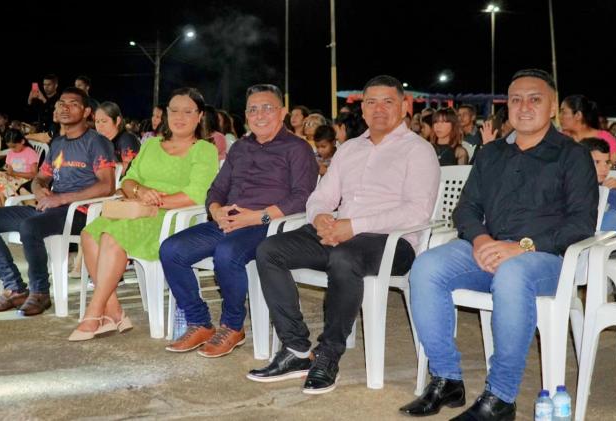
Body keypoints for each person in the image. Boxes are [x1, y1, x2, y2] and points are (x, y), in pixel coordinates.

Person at [399, 69, 597, 421]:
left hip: (547, 259)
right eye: (515, 99)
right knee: (426, 267)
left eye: (534, 99)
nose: (523, 107)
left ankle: (501, 397)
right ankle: (446, 379)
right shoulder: (491, 154)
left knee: (512, 274)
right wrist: (481, 239)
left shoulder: (572, 155)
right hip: (490, 248)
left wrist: (520, 247)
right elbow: (467, 208)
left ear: (552, 106)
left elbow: (580, 224)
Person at [247, 75, 439, 394]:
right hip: (339, 232)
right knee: (269, 250)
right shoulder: (349, 149)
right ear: (361, 109)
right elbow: (321, 196)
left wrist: (353, 226)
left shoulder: (418, 151)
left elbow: (416, 212)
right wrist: (321, 218)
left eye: (387, 101)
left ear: (405, 106)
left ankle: (328, 354)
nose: (378, 109)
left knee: (344, 256)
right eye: (371, 102)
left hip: (392, 241)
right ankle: (296, 349)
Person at [159, 84, 318, 358]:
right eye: (253, 109)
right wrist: (216, 209)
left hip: (268, 224)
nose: (259, 115)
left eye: (267, 108)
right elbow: (216, 189)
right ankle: (199, 322)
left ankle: (232, 326)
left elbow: (303, 197)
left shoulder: (297, 148)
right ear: (246, 115)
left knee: (227, 252)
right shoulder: (240, 148)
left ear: (282, 113)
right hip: (228, 221)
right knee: (171, 249)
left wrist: (256, 216)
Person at [68, 87, 220, 341]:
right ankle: (113, 310)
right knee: (89, 233)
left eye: (187, 111)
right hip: (137, 210)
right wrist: (141, 189)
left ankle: (94, 313)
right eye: (174, 111)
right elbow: (128, 180)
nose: (179, 117)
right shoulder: (150, 145)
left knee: (110, 235)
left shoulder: (204, 150)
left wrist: (155, 202)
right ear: (166, 114)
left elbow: (196, 195)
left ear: (199, 116)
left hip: (173, 219)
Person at [0, 87, 116, 317]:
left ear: (87, 111)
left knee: (31, 227)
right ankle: (15, 288)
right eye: (61, 103)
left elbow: (107, 185)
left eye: (73, 104)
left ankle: (40, 292)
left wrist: (61, 198)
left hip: (80, 212)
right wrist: (40, 191)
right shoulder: (57, 144)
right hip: (51, 210)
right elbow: (40, 177)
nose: (65, 108)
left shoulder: (96, 142)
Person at [559, 94, 616, 163]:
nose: (559, 116)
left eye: (563, 112)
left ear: (578, 115)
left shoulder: (606, 139)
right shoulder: (560, 138)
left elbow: (611, 167)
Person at [0, 129, 39, 208]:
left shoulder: (30, 153)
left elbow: (34, 174)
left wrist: (14, 173)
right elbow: (9, 169)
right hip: (12, 179)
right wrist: (6, 171)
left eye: (14, 146)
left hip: (24, 181)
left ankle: (3, 210)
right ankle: (1, 211)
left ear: (22, 141)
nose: (12, 149)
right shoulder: (11, 153)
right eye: (10, 147)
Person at [94, 101, 140, 176]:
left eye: (104, 121)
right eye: (97, 121)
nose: (100, 126)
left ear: (117, 121)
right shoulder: (100, 141)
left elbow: (131, 168)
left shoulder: (127, 139)